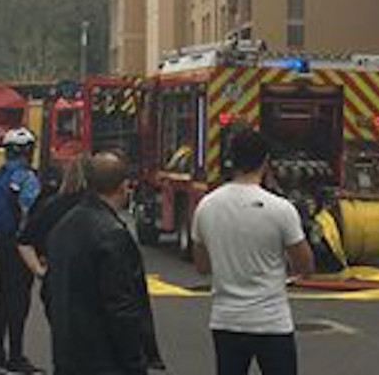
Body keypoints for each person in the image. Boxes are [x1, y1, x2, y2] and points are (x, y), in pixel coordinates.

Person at [192, 128, 314, 375]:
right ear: (265, 162)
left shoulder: (206, 206)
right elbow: (305, 266)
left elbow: (202, 266)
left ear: (231, 160)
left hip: (226, 320)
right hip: (271, 322)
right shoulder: (281, 209)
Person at [47, 151, 164, 375]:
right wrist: (136, 361)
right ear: (124, 186)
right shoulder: (113, 234)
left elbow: (49, 292)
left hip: (68, 355)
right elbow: (120, 305)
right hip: (105, 359)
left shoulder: (63, 227)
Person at [0, 128, 43, 375]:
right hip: (20, 245)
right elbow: (30, 212)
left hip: (1, 243)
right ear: (29, 151)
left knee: (2, 297)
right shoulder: (27, 177)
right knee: (19, 301)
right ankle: (16, 357)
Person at [17, 155, 90, 319]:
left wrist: (39, 270)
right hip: (89, 285)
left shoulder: (52, 206)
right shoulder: (97, 208)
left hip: (56, 281)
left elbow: (24, 241)